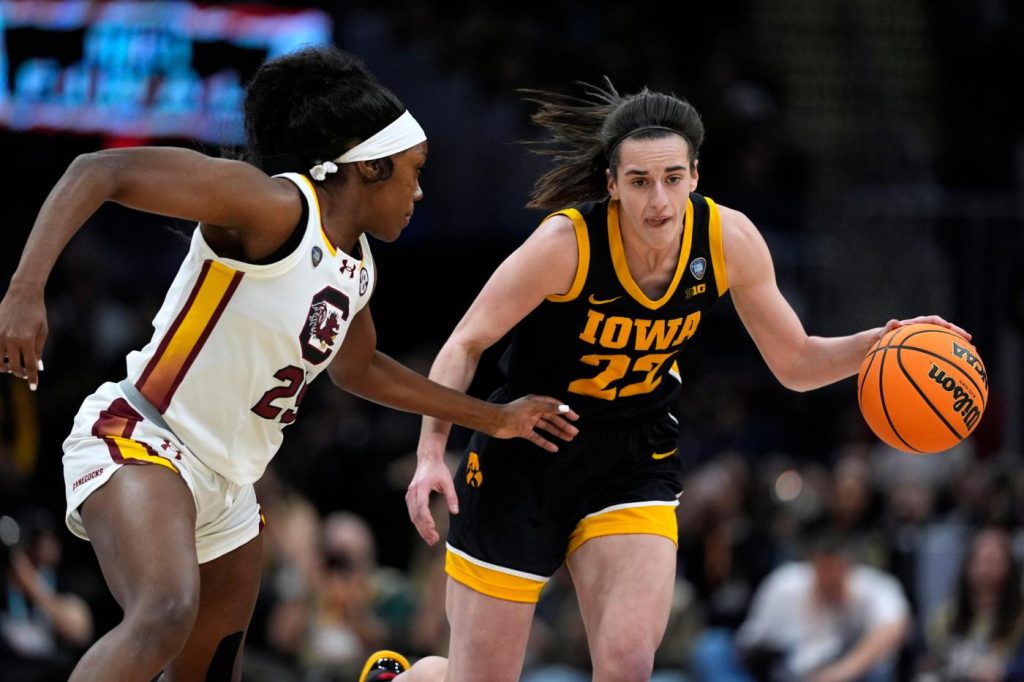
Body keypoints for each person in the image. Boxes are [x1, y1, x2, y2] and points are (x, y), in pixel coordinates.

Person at [0, 46, 577, 682]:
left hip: (230, 484)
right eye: (413, 172)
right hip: (144, 437)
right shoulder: (273, 206)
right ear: (369, 168)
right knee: (163, 613)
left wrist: (491, 418)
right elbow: (97, 170)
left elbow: (360, 370)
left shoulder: (356, 266)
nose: (419, 191)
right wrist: (26, 290)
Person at [390, 78, 966, 682]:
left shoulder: (727, 240)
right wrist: (431, 452)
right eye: (639, 181)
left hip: (632, 454)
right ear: (612, 185)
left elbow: (796, 362)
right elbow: (466, 342)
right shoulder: (567, 244)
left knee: (629, 665)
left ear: (695, 175)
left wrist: (881, 343)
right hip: (526, 455)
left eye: (671, 178)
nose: (657, 200)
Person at [692, 531, 911, 682]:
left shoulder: (872, 586)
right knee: (711, 647)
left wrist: (842, 671)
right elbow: (752, 642)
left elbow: (893, 629)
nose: (828, 579)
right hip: (780, 667)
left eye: (835, 571)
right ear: (813, 565)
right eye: (823, 570)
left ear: (848, 567)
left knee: (879, 668)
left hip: (842, 669)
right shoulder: (786, 582)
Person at [916, 526, 1024, 681]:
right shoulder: (947, 616)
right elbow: (927, 658)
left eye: (993, 561)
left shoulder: (1019, 619)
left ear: (1009, 567)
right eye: (979, 560)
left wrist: (1006, 671)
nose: (985, 569)